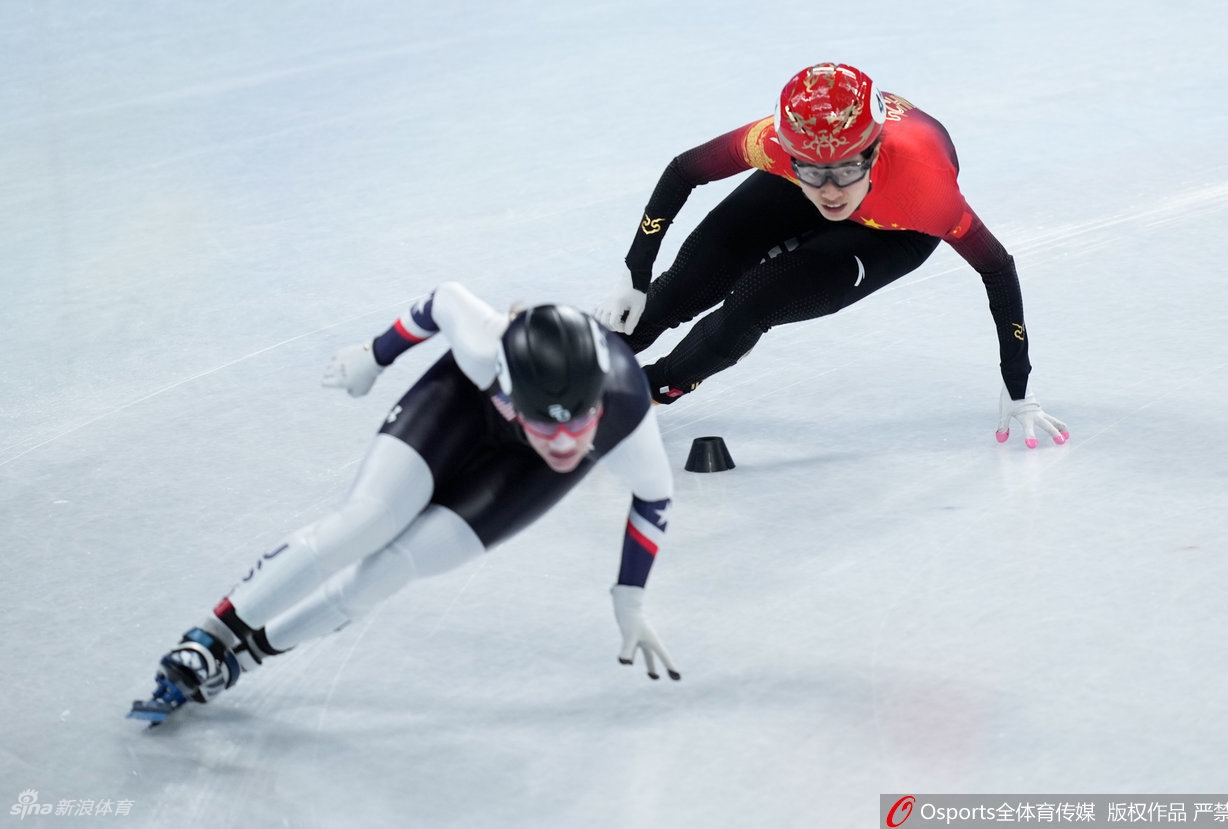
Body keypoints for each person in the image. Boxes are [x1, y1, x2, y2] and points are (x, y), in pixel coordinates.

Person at [131, 282, 680, 723]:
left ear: (600, 404)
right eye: (543, 424)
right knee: (365, 523)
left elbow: (655, 496)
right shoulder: (485, 348)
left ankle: (239, 663)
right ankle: (207, 638)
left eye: (581, 423)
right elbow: (443, 301)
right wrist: (373, 355)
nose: (563, 445)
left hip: (520, 470)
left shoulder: (628, 411)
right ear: (508, 392)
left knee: (390, 570)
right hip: (459, 405)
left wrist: (628, 598)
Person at [595, 62, 1068, 448]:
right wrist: (636, 275)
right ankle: (574, 364)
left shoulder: (925, 193)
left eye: (844, 171)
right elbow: (683, 171)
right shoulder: (775, 144)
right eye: (812, 171)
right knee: (681, 287)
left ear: (874, 150)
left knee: (755, 299)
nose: (829, 192)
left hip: (891, 228)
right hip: (807, 184)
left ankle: (644, 392)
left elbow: (997, 268)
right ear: (791, 154)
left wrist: (1017, 379)